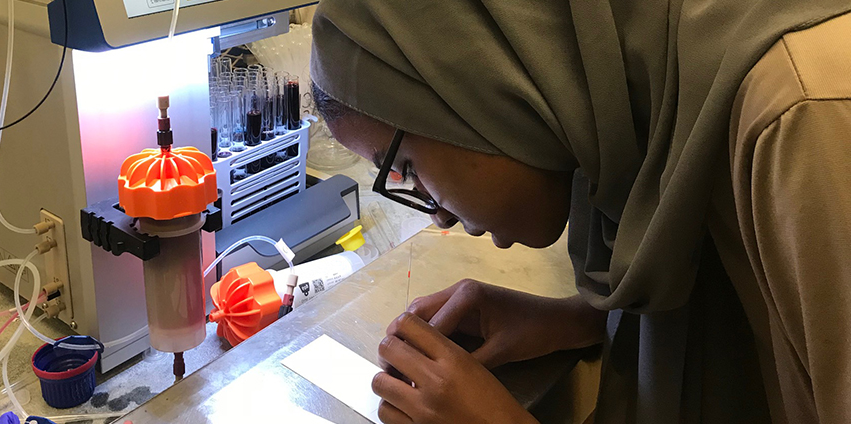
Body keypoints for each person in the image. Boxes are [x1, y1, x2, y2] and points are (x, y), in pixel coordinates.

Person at [309, 1, 851, 423]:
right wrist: (579, 319)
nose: (438, 217)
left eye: (406, 164)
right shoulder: (668, 93)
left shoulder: (804, 122)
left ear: (476, 83)